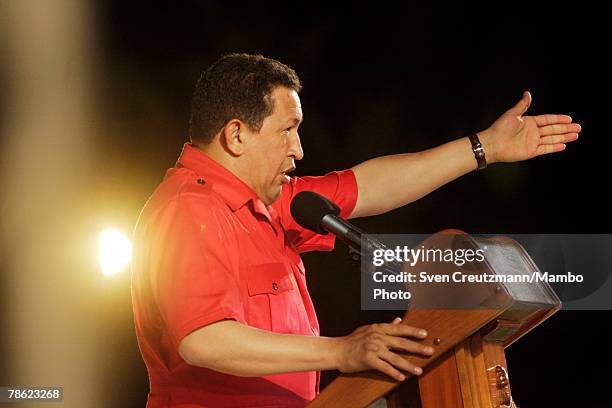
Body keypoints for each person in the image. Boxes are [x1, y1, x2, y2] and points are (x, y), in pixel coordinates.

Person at [131, 53, 581, 407]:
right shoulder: (188, 210)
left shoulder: (272, 204)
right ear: (236, 135)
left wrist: (482, 149)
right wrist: (342, 352)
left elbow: (368, 185)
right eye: (288, 129)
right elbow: (204, 339)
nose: (299, 149)